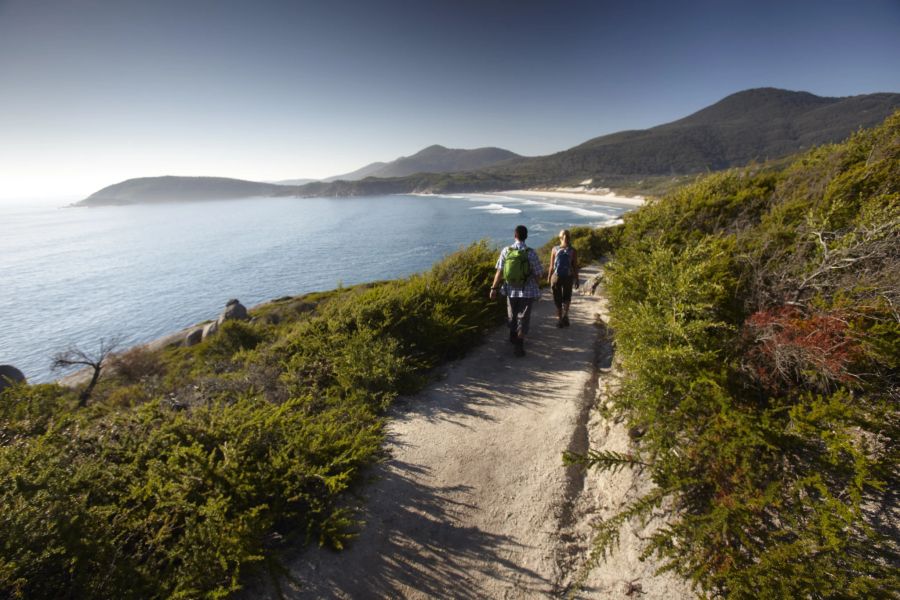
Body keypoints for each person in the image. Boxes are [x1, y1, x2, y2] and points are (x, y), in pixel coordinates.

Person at [489, 225, 544, 357]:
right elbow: (538, 274)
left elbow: (499, 272)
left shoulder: (506, 251)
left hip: (510, 289)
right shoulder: (531, 253)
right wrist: (538, 288)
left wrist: (493, 288)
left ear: (515, 236)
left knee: (512, 315)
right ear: (526, 237)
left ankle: (512, 335)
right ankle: (519, 344)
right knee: (523, 317)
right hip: (527, 290)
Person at [548, 229, 579, 328]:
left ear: (560, 237)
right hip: (568, 276)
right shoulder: (573, 250)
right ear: (569, 237)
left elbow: (552, 266)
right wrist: (577, 279)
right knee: (567, 297)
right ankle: (565, 315)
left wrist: (549, 277)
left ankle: (559, 320)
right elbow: (575, 266)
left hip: (556, 277)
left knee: (557, 299)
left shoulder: (554, 249)